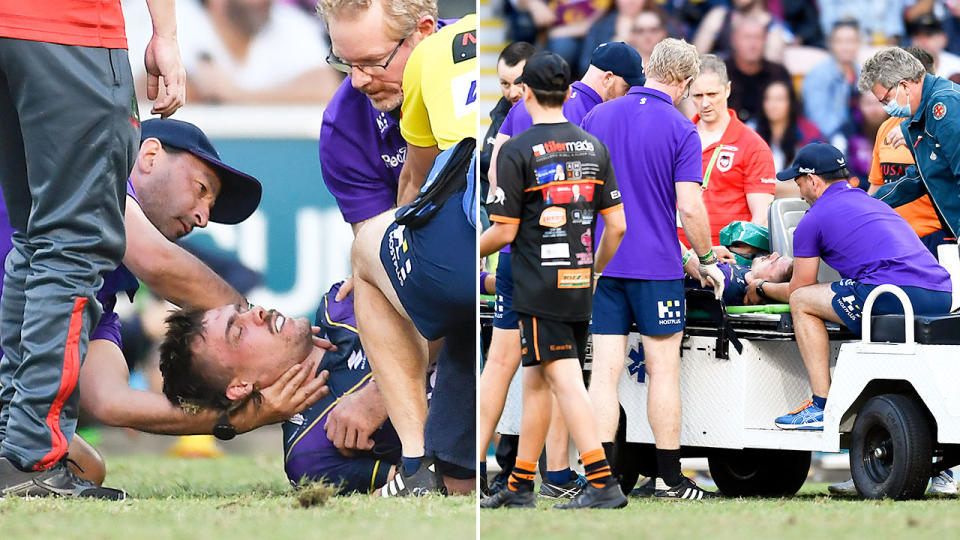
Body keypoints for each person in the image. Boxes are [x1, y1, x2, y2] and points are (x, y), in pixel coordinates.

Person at [0, 0, 185, 500]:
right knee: (69, 246)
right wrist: (164, 33)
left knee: (35, 238)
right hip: (67, 28)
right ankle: (31, 456)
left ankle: (11, 445)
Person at [480, 41, 644, 500]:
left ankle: (602, 481)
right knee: (537, 381)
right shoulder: (594, 146)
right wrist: (594, 270)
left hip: (536, 281)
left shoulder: (520, 149)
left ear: (527, 92)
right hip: (578, 282)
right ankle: (518, 485)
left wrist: (472, 252)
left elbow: (504, 232)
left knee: (565, 379)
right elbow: (618, 225)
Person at [580, 38, 724, 500]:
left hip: (603, 264)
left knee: (603, 372)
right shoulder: (682, 129)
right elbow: (690, 207)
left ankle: (600, 478)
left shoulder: (597, 116)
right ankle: (669, 477)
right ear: (683, 82)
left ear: (649, 68)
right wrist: (703, 258)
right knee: (663, 372)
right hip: (656, 266)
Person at [348, 11, 477, 497]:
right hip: (558, 253)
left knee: (366, 256)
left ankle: (418, 465)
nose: (358, 79)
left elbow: (418, 184)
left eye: (371, 61)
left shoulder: (436, 51)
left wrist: (396, 265)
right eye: (345, 63)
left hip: (476, 239)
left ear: (424, 30)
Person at [764, 143, 952, 430]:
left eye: (798, 182)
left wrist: (761, 286)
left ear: (813, 181)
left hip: (895, 292)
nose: (799, 192)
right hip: (941, 293)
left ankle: (820, 405)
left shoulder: (812, 219)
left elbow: (797, 290)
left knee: (802, 301)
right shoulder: (871, 201)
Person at [124, 0, 341, 104]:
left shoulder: (288, 22)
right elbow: (147, 89)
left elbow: (328, 86)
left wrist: (238, 95)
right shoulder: (174, 16)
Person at [859, 46, 960, 243]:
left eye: (886, 99)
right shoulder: (919, 116)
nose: (886, 107)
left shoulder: (945, 105)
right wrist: (866, 204)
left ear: (905, 85)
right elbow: (920, 178)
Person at [681, 53, 776, 249]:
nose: (705, 103)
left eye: (712, 94)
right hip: (678, 259)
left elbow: (761, 218)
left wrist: (733, 257)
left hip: (726, 261)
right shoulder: (677, 139)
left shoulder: (752, 145)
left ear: (727, 90)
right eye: (698, 96)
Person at [480, 41, 536, 201]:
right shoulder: (501, 111)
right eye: (505, 84)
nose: (512, 93)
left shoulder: (553, 117)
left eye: (520, 84)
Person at [802, 19, 861, 153]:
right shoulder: (818, 75)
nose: (845, 46)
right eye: (840, 41)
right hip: (825, 141)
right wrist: (841, 135)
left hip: (858, 138)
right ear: (831, 44)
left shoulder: (862, 73)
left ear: (858, 44)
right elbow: (816, 115)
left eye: (850, 41)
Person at [725, 15, 792, 126]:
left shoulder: (778, 74)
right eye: (747, 38)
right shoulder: (719, 73)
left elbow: (792, 115)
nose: (753, 44)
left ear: (765, 40)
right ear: (734, 40)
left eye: (758, 38)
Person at [754, 80, 825, 175]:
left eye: (779, 99)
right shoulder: (752, 131)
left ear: (791, 102)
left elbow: (818, 176)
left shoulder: (807, 132)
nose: (773, 105)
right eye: (768, 99)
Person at [907, 14, 960, 80]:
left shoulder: (957, 66)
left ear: (943, 39)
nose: (923, 41)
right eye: (917, 36)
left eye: (929, 36)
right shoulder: (902, 69)